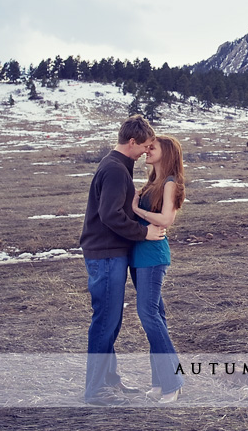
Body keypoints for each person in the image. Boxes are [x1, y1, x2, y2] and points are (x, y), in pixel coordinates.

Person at [80, 115, 168, 406]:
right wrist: (143, 232)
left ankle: (108, 381)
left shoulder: (116, 165)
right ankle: (96, 391)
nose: (146, 150)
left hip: (108, 254)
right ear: (132, 141)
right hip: (105, 255)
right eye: (144, 145)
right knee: (105, 322)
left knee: (111, 322)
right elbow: (110, 215)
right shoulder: (116, 170)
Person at [130, 134, 186, 403]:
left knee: (148, 316)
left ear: (168, 152)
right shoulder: (151, 182)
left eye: (153, 148)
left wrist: (137, 210)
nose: (147, 150)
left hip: (153, 257)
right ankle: (160, 382)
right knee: (156, 319)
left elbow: (166, 219)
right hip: (139, 257)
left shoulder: (171, 183)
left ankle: (173, 382)